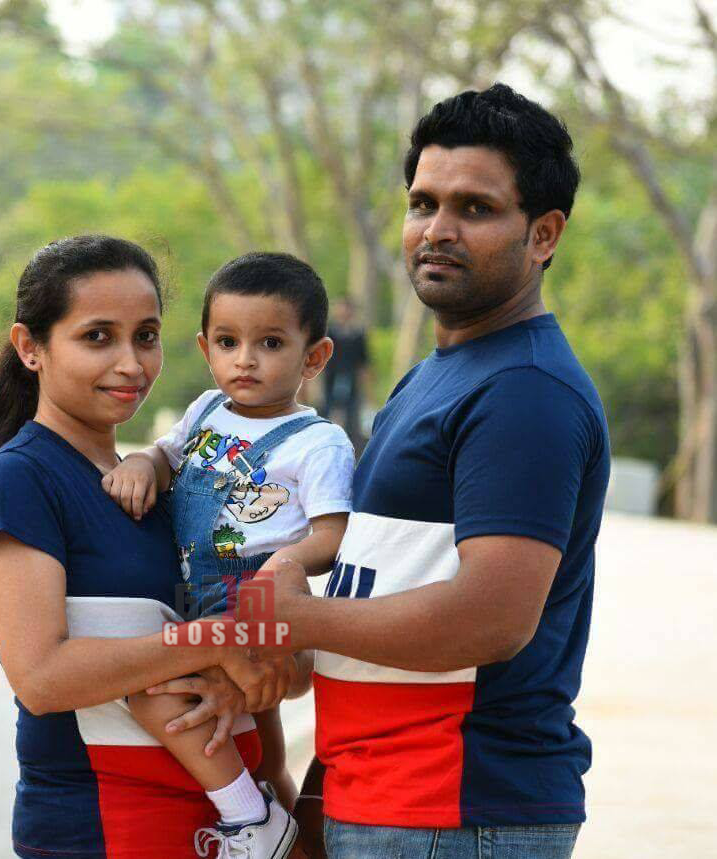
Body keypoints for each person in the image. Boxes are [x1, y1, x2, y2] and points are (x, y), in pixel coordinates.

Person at [260, 84, 611, 859]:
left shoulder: (525, 391)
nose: (437, 230)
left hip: (453, 808)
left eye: (475, 209)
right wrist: (320, 791)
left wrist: (299, 617)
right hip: (384, 797)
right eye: (423, 204)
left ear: (544, 234)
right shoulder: (435, 376)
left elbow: (491, 618)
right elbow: (380, 585)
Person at [0, 235, 299, 859]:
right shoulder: (20, 482)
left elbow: (275, 663)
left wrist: (251, 686)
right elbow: (42, 678)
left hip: (237, 830)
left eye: (146, 336)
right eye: (98, 337)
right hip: (107, 830)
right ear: (30, 347)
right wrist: (216, 642)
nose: (132, 363)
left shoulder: (162, 485)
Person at [102, 252, 355, 858]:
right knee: (261, 750)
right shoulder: (206, 411)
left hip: (261, 606)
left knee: (158, 694)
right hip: (196, 597)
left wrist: (283, 568)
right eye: (228, 342)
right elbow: (166, 455)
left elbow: (334, 534)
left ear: (314, 357)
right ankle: (287, 837)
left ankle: (250, 818)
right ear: (205, 348)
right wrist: (143, 463)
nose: (245, 359)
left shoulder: (318, 443)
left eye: (270, 343)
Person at [321, 298, 369, 450]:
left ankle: (348, 447)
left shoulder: (358, 335)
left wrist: (368, 390)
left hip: (351, 379)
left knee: (351, 416)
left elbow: (363, 362)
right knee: (330, 411)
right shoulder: (328, 333)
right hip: (331, 379)